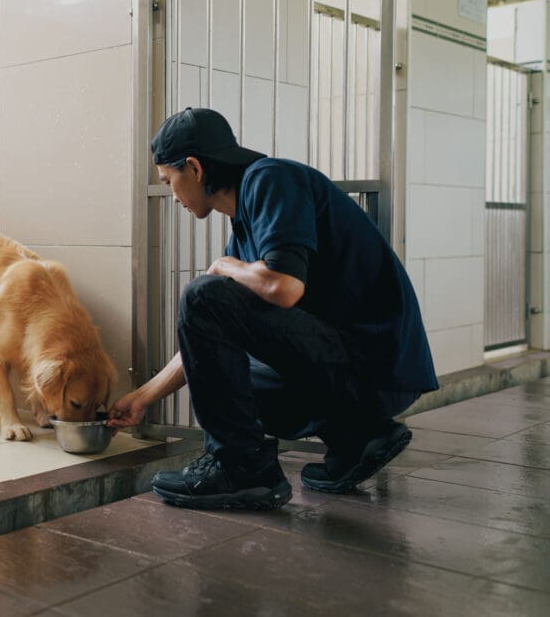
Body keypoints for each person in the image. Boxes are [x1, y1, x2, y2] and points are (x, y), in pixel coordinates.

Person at [107, 107, 438, 510]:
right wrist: (142, 396)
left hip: (375, 366)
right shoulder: (247, 223)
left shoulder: (270, 178)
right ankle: (359, 438)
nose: (172, 194)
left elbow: (284, 287)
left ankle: (242, 470)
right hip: (364, 370)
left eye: (168, 180)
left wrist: (223, 267)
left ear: (193, 168)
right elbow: (204, 345)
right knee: (221, 373)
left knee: (203, 295)